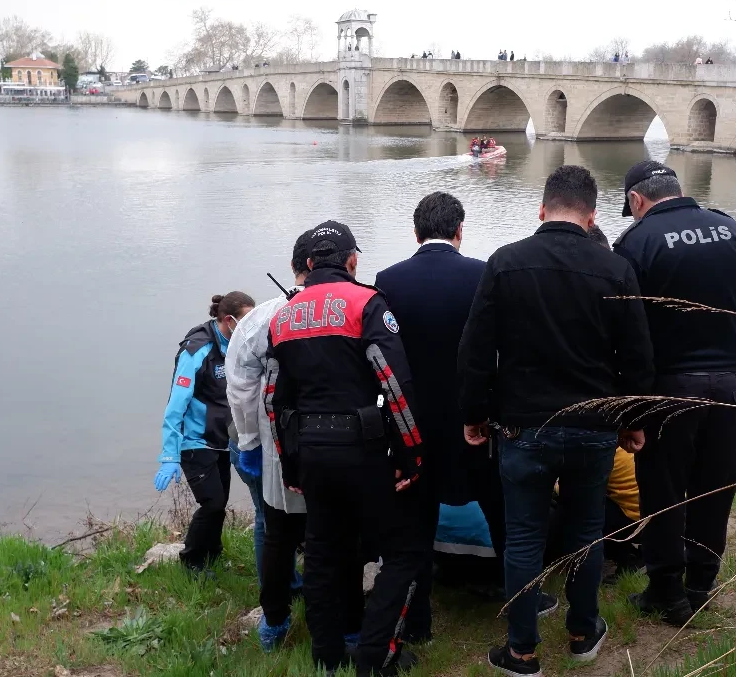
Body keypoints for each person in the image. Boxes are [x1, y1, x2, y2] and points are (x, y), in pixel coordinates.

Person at [458, 166, 654, 676]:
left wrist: (474, 415)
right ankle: (583, 633)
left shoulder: (505, 263)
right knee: (587, 529)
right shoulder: (615, 269)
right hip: (593, 426)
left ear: (542, 210)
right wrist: (633, 421)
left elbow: (476, 350)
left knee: (522, 537)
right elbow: (637, 357)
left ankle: (522, 652)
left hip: (523, 427)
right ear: (591, 217)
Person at [375, 192, 556, 642]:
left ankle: (418, 622)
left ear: (415, 233)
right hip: (475, 419)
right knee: (503, 512)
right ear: (460, 230)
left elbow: (386, 357)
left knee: (417, 520)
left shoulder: (388, 280)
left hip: (414, 423)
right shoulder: (482, 273)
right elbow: (499, 348)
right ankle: (524, 597)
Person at [264, 221, 428, 676]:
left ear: (310, 264)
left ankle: (327, 655)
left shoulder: (284, 317)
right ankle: (375, 655)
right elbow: (395, 385)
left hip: (311, 454)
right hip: (364, 450)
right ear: (352, 261)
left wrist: (290, 463)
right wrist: (411, 454)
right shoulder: (366, 302)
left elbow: (274, 399)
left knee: (321, 553)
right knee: (403, 553)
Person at [612, 160, 736, 626]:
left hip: (671, 388)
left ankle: (667, 593)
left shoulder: (636, 242)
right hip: (730, 385)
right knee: (716, 486)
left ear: (637, 200)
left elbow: (629, 329)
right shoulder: (729, 228)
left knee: (665, 491)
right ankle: (701, 585)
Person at [226, 232, 313, 651]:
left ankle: (275, 622)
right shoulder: (355, 306)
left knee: (274, 530)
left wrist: (248, 442)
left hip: (276, 446)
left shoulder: (259, 320)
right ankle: (335, 622)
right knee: (327, 535)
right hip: (334, 449)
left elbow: (241, 387)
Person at [155, 291, 257, 574]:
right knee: (211, 503)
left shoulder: (237, 345)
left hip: (222, 440)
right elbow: (176, 404)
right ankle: (192, 561)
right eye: (247, 320)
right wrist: (169, 454)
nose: (251, 327)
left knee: (220, 502)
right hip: (195, 440)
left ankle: (212, 553)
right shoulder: (197, 350)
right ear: (228, 320)